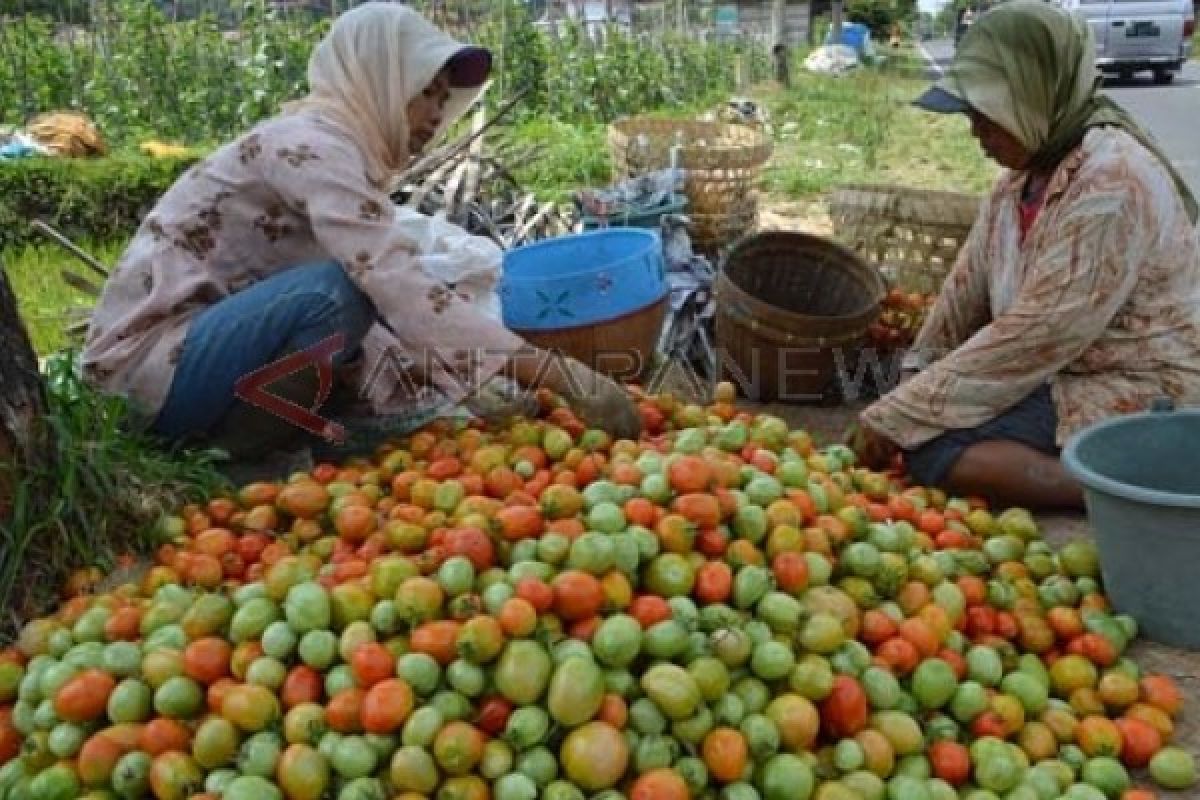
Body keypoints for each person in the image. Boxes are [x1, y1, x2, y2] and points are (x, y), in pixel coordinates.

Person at [82, 3, 641, 477]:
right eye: (425, 91)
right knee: (331, 297)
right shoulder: (315, 147)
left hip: (197, 360)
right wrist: (563, 375)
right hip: (147, 372)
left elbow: (390, 310)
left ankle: (245, 441)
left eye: (444, 98)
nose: (435, 114)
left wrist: (468, 382)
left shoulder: (333, 149)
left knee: (346, 301)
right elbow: (393, 287)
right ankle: (232, 461)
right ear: (379, 77)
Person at [853, 0, 1200, 510]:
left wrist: (904, 415)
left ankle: (1126, 489)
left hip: (1136, 385)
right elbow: (962, 294)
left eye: (987, 115)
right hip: (1061, 371)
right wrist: (914, 378)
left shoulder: (1112, 185)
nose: (976, 133)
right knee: (921, 420)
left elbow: (1037, 334)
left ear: (1037, 96)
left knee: (933, 445)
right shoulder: (1020, 180)